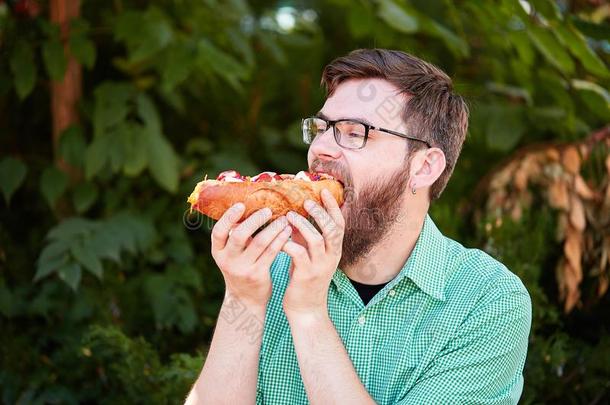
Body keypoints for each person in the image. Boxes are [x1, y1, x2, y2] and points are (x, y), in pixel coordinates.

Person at [185, 49, 532, 404]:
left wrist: (308, 314)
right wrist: (243, 297)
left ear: (424, 168)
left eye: (355, 132)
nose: (320, 149)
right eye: (321, 129)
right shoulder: (264, 264)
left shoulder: (487, 301)